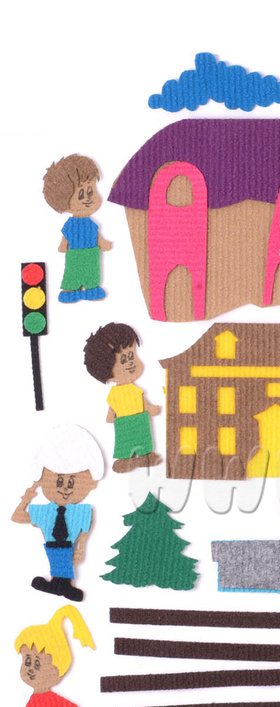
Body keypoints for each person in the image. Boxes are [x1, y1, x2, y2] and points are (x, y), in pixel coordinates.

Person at [12, 425, 104, 602]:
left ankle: (63, 586)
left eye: (71, 482)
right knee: (57, 563)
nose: (65, 488)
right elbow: (17, 517)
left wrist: (80, 549)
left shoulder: (81, 511)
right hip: (53, 546)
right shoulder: (45, 511)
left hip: (68, 546)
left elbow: (84, 531)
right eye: (59, 481)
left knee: (64, 564)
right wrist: (26, 498)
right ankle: (59, 585)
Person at [83, 322, 162, 473]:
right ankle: (125, 459)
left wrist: (150, 408)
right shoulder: (116, 393)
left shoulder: (133, 389)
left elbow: (142, 402)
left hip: (139, 419)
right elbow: (113, 407)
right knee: (124, 442)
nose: (130, 363)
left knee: (142, 438)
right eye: (124, 359)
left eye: (131, 355)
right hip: (124, 422)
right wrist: (111, 416)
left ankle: (145, 455)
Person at [42, 154, 112, 301]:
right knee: (72, 274)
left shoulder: (90, 223)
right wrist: (63, 245)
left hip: (91, 255)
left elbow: (96, 235)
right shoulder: (71, 224)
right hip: (74, 256)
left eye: (90, 191)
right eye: (81, 194)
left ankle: (91, 289)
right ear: (64, 200)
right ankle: (69, 291)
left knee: (91, 274)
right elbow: (66, 236)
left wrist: (103, 243)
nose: (87, 198)